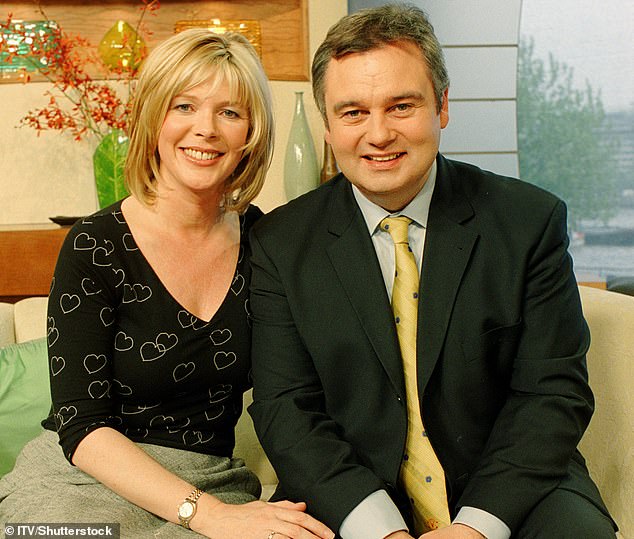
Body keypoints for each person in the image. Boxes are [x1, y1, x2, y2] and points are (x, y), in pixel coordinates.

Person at [247, 4, 617, 539]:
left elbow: (553, 393)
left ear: (442, 106)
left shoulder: (528, 222)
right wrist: (382, 530)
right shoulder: (280, 243)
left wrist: (475, 528)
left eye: (401, 106)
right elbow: (287, 409)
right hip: (350, 492)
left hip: (511, 486)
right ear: (327, 126)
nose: (378, 134)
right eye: (352, 113)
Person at [0, 28, 334, 539]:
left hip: (213, 479)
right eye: (184, 106)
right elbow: (82, 426)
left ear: (251, 133)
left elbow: (302, 391)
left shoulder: (266, 244)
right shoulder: (96, 245)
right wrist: (210, 516)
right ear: (154, 117)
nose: (206, 129)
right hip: (80, 482)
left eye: (230, 112)